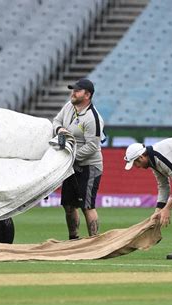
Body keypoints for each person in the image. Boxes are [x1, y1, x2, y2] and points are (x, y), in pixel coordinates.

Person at [52, 78, 105, 240]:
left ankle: (94, 243)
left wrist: (71, 157)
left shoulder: (93, 118)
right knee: (69, 205)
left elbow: (91, 147)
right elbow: (56, 120)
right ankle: (74, 239)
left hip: (89, 166)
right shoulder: (69, 106)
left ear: (87, 95)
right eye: (72, 90)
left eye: (77, 91)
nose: (73, 93)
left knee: (87, 206)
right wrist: (59, 128)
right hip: (71, 166)